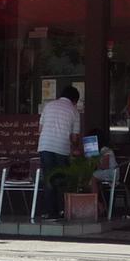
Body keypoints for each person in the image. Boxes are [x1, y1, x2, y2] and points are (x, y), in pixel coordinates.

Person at [37, 85, 81, 219]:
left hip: (45, 145)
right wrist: (76, 148)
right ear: (74, 100)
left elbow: (40, 129)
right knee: (62, 179)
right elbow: (74, 137)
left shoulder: (48, 106)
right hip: (61, 148)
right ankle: (64, 210)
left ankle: (51, 213)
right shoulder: (74, 111)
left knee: (49, 178)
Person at [87, 128, 119, 214]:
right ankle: (97, 204)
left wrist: (95, 160)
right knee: (91, 177)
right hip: (103, 172)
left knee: (93, 177)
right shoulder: (99, 151)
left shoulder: (106, 150)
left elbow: (105, 166)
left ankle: (98, 203)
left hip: (112, 172)